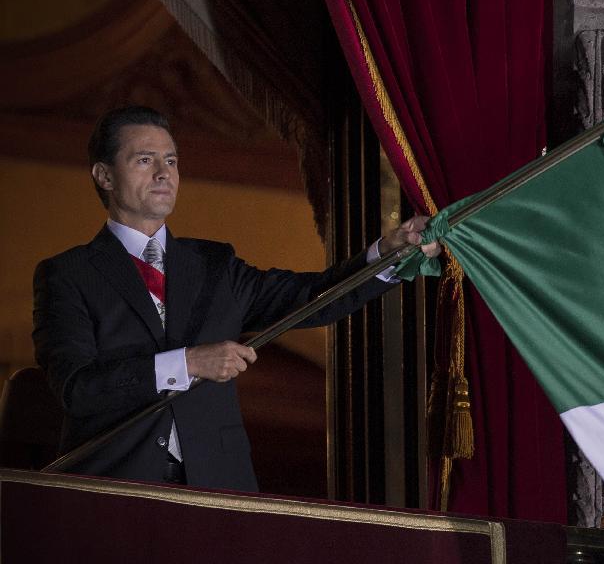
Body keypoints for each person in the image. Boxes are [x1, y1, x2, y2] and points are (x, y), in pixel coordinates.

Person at [32, 105, 440, 492]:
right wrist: (188, 362)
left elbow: (313, 296)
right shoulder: (67, 275)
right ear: (104, 175)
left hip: (219, 485)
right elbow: (77, 389)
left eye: (171, 161)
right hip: (113, 489)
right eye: (144, 160)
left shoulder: (215, 264)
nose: (164, 174)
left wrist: (385, 255)